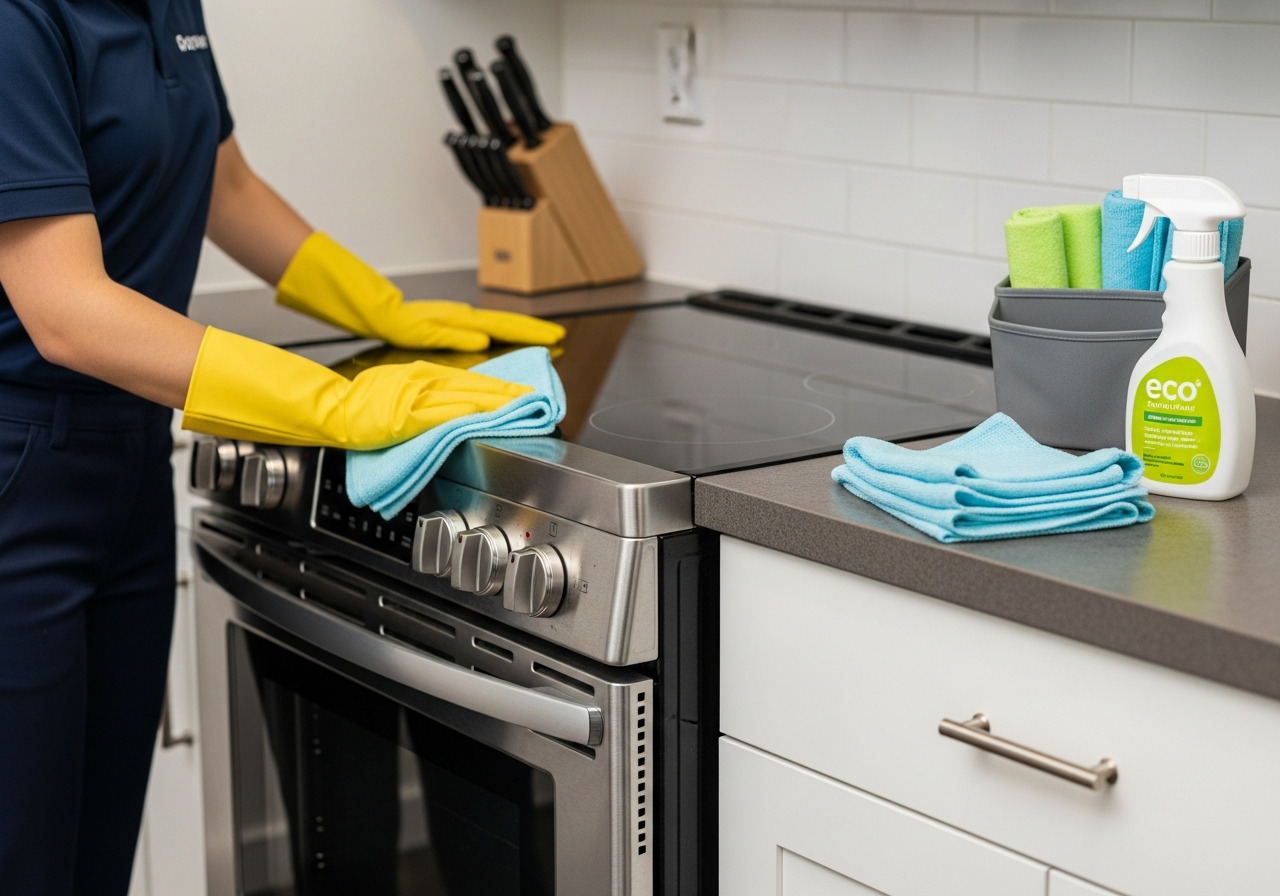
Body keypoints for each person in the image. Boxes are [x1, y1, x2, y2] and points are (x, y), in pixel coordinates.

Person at [0, 0, 563, 891]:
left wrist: (380, 307)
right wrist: (329, 403)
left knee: (99, 850)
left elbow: (227, 187)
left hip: (130, 459)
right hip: (21, 469)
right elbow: (63, 311)